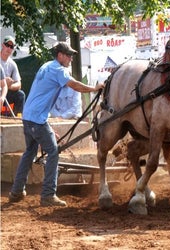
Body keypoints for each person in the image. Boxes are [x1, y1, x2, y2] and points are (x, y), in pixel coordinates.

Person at [9, 42, 104, 206]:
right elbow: (75, 85)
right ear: (59, 55)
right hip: (36, 119)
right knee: (53, 151)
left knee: (30, 152)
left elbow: (40, 94)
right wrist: (94, 89)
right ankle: (48, 195)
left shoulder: (47, 66)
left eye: (72, 55)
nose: (71, 58)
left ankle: (16, 192)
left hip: (29, 116)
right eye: (68, 55)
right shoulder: (58, 70)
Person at [1, 36, 25, 115]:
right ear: (2, 45)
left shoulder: (12, 64)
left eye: (11, 47)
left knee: (20, 95)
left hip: (6, 91)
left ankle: (17, 118)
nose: (9, 48)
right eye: (7, 45)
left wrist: (8, 86)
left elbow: (19, 84)